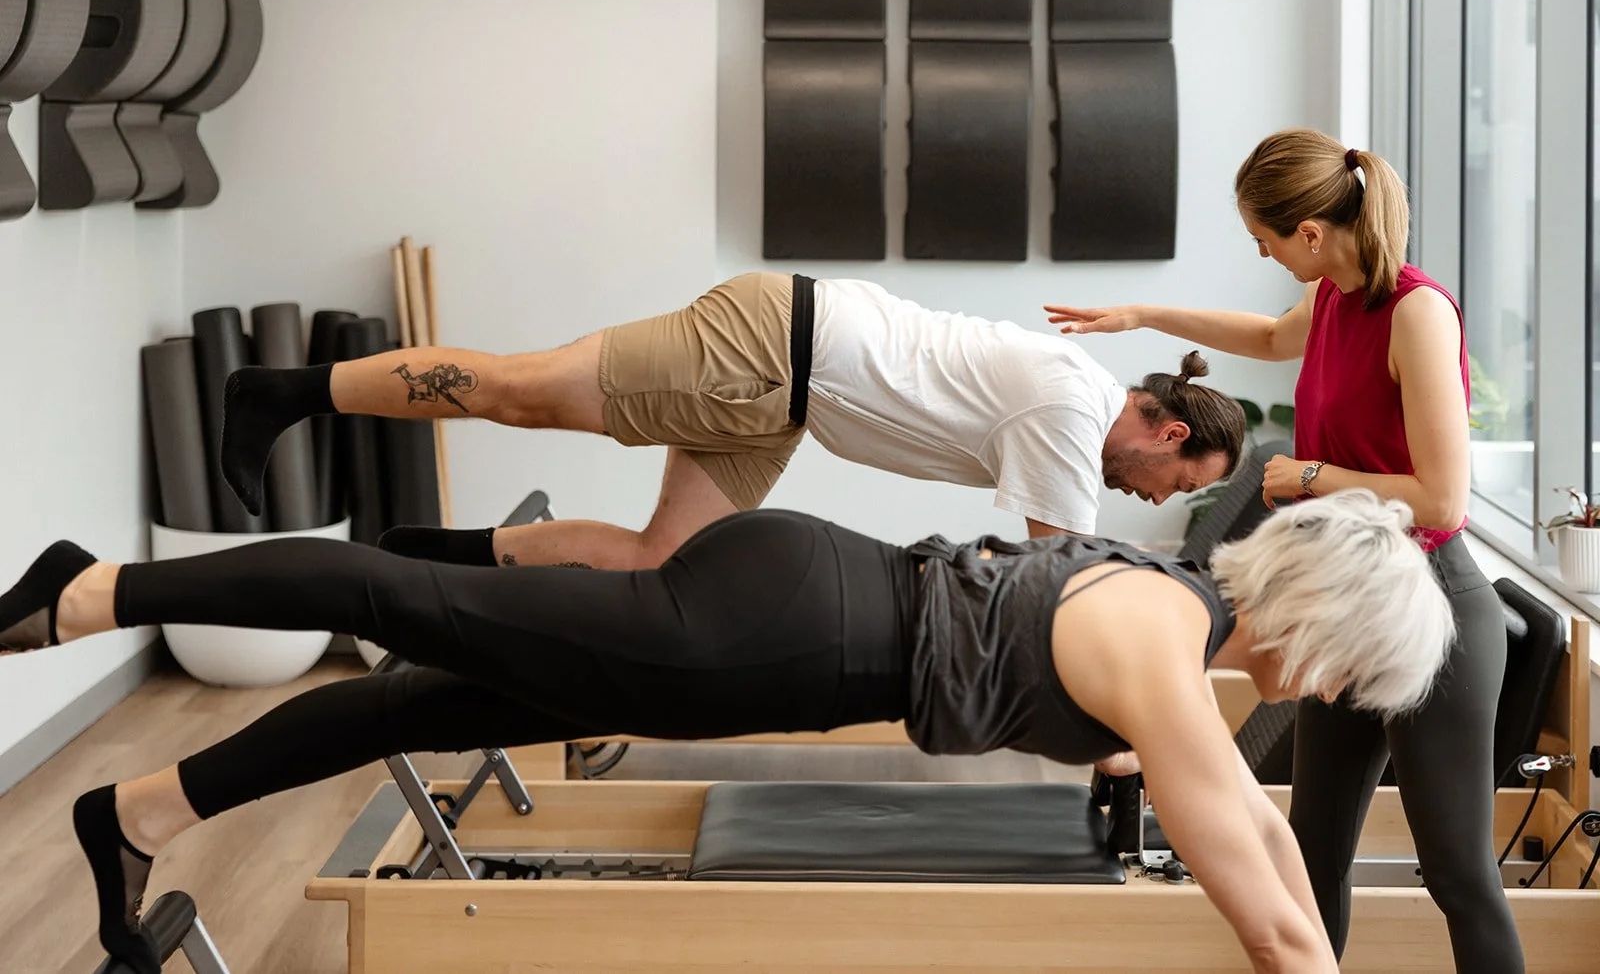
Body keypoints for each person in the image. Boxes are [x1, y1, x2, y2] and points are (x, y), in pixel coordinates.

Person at [0, 489, 1454, 974]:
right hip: (763, 639)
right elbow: (1261, 912)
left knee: (433, 698)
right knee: (413, 605)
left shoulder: (1177, 615)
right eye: (1353, 671)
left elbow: (1262, 838)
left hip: (790, 614)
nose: (1330, 696)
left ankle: (138, 809)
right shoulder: (1157, 639)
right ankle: (83, 591)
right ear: (1327, 626)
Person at [1042, 128, 1522, 972]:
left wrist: (1308, 475)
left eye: (1264, 236)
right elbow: (1267, 337)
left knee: (1457, 870)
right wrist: (1143, 315)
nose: (1259, 251)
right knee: (1310, 848)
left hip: (1431, 612)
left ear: (1309, 230)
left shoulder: (1416, 310)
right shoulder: (1332, 297)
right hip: (1350, 607)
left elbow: (1442, 497)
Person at [219, 272, 1245, 568]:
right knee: (519, 390)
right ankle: (281, 393)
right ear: (1164, 432)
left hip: (780, 404)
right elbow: (1060, 579)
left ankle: (424, 556)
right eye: (1181, 483)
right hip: (768, 348)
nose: (1160, 498)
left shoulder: (1075, 395)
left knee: (661, 556)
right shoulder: (1074, 410)